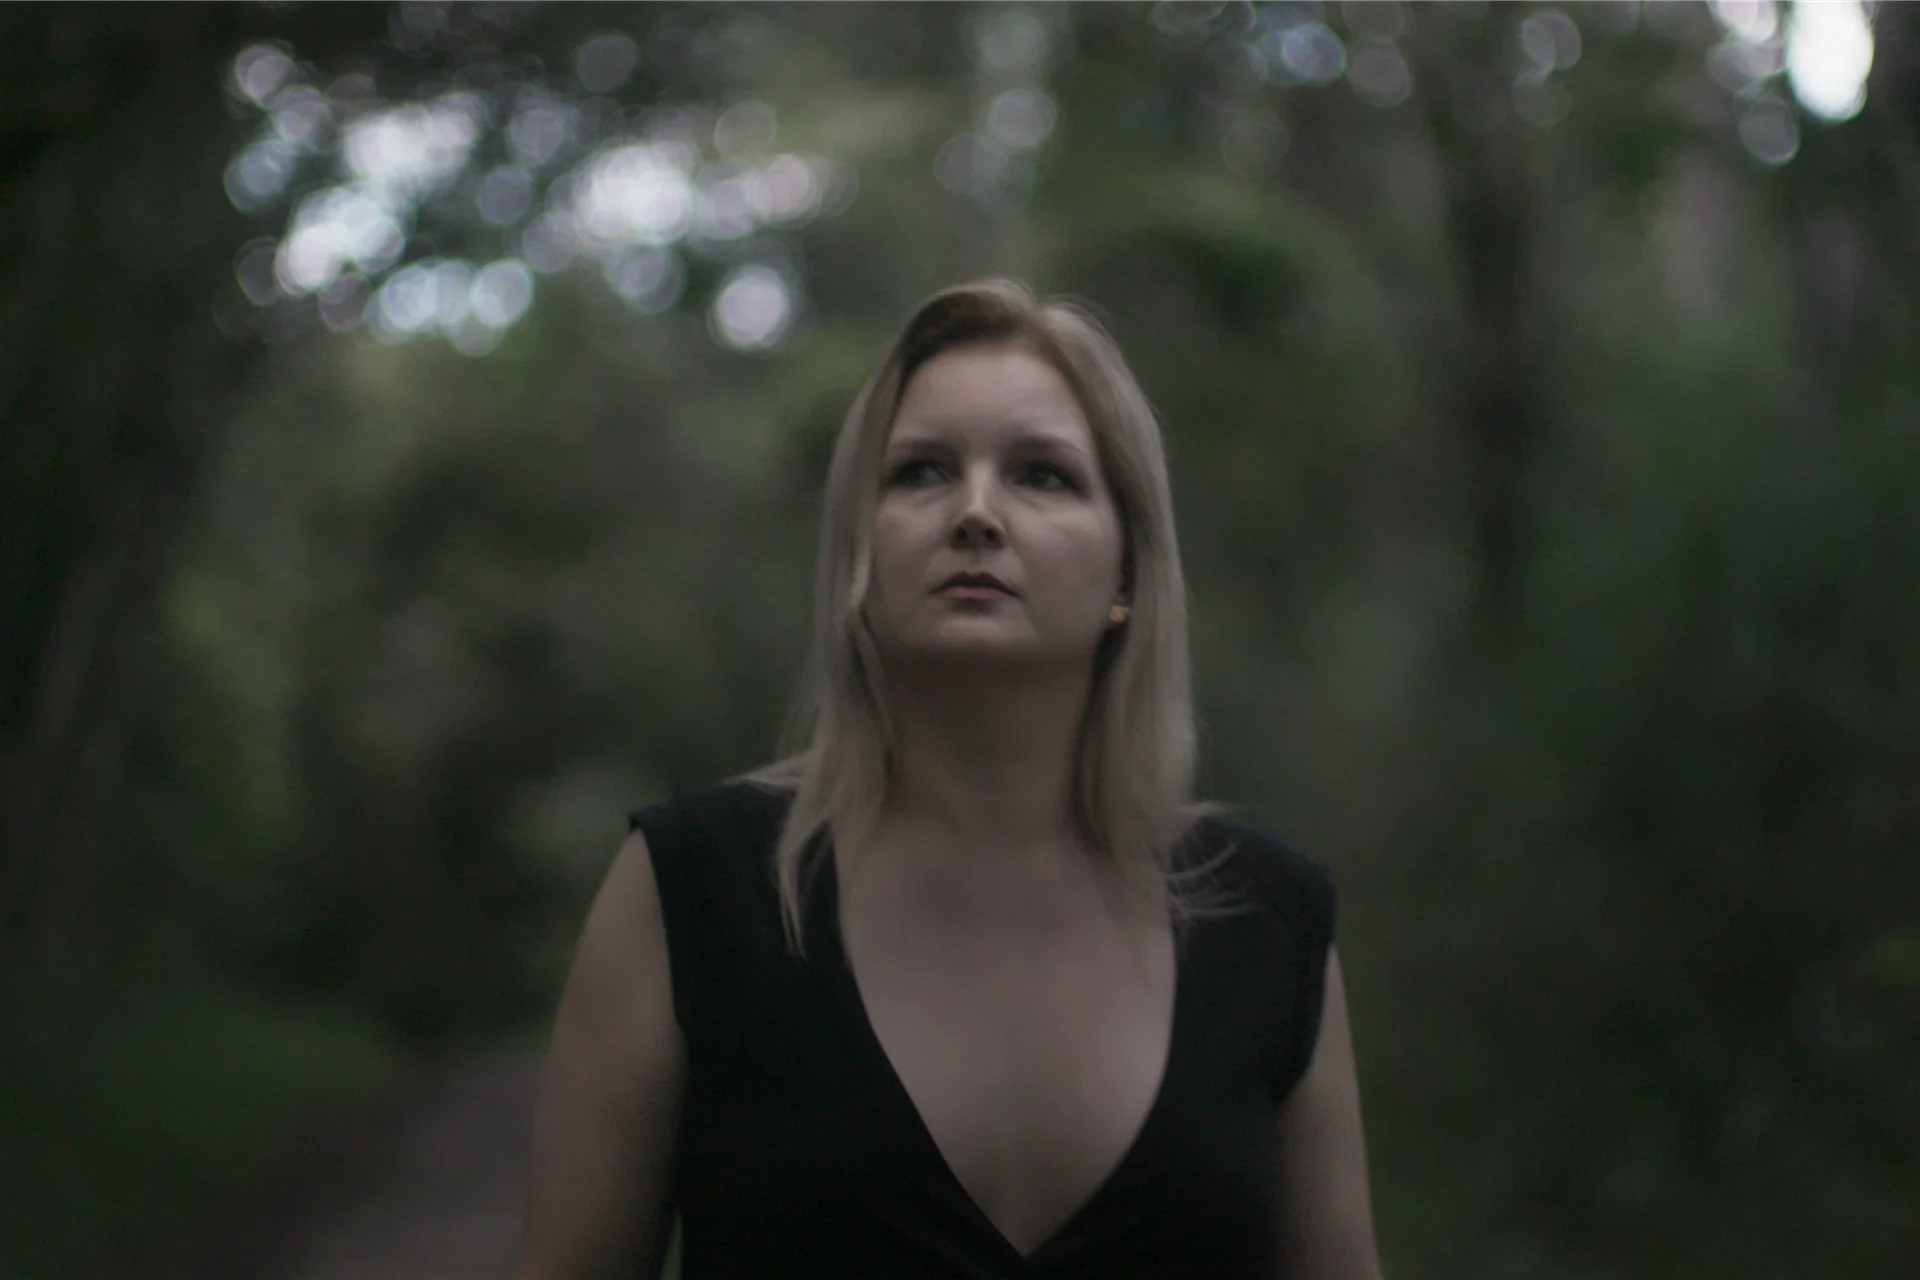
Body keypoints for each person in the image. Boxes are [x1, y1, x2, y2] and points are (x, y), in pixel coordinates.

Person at [516, 279, 1384, 1279]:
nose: (975, 512)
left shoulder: (1270, 922)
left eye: (1043, 475)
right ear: (860, 549)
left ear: (1128, 571)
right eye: (922, 471)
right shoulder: (691, 891)